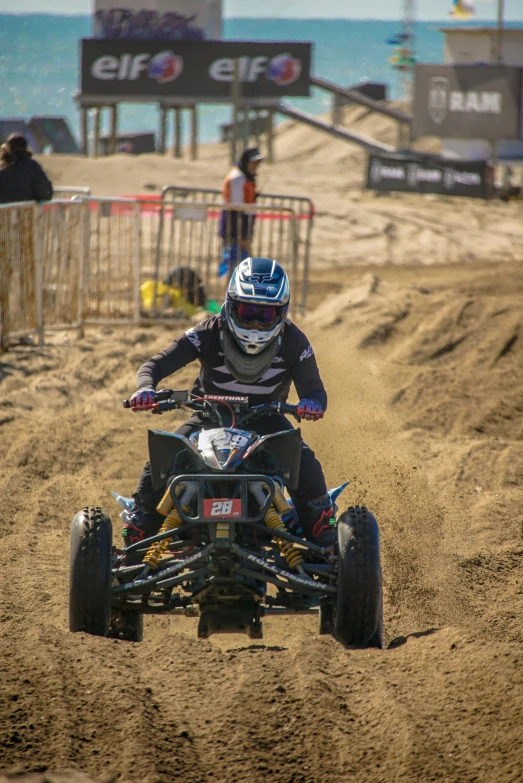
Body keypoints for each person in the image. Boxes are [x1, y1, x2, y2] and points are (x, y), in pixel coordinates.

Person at [125, 257, 335, 561]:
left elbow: (315, 390)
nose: (254, 323)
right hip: (207, 418)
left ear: (282, 312)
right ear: (230, 304)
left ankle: (324, 536)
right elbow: (154, 365)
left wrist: (312, 404)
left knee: (303, 460)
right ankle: (138, 530)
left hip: (268, 422)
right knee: (166, 454)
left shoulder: (295, 341)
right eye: (247, 311)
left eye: (265, 314)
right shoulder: (207, 331)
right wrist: (145, 388)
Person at [218, 147, 263, 278]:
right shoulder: (237, 178)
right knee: (236, 272)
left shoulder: (246, 177)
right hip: (234, 234)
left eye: (257, 163)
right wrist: (240, 237)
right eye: (253, 162)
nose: (255, 166)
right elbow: (235, 210)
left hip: (242, 233)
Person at [0, 134, 53, 204]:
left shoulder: (3, 169)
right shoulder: (32, 167)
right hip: (28, 213)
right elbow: (46, 193)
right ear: (26, 148)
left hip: (4, 213)